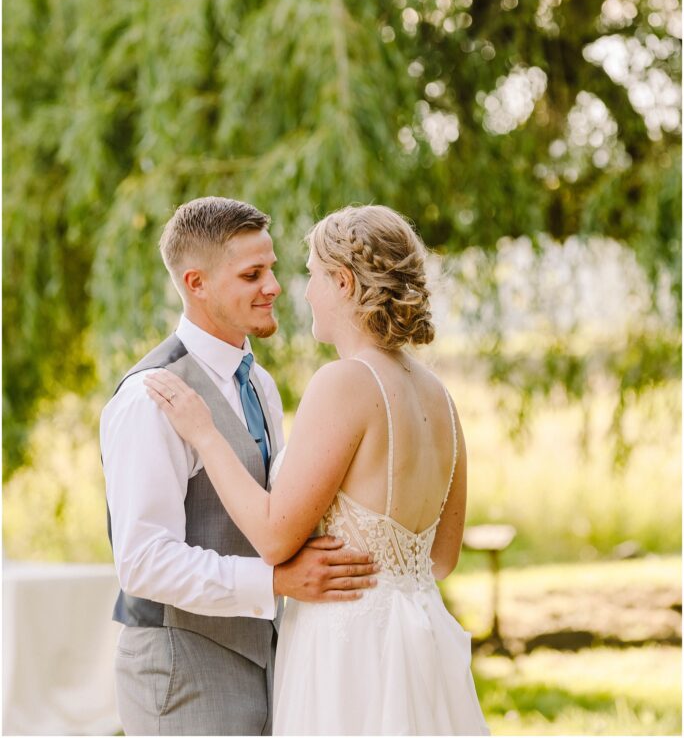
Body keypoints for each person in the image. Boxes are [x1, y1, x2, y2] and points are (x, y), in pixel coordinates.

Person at [145, 204, 490, 736]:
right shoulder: (440, 397)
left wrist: (205, 433)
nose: (300, 291)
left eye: (310, 274)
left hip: (348, 647)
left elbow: (273, 539)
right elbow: (441, 558)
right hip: (420, 640)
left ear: (343, 282)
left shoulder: (345, 382)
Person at [101, 197, 378, 737]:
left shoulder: (260, 384)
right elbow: (144, 562)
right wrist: (276, 581)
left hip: (267, 665)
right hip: (182, 672)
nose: (274, 287)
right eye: (253, 274)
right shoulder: (150, 398)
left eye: (271, 268)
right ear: (196, 283)